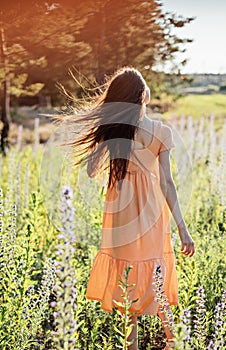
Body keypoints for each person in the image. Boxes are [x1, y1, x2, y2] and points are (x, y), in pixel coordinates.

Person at [63, 67, 195, 349]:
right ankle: (175, 342)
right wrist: (183, 229)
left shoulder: (116, 131)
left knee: (127, 286)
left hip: (121, 214)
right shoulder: (161, 131)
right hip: (151, 215)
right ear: (143, 96)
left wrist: (105, 135)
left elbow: (90, 171)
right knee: (157, 280)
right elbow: (168, 184)